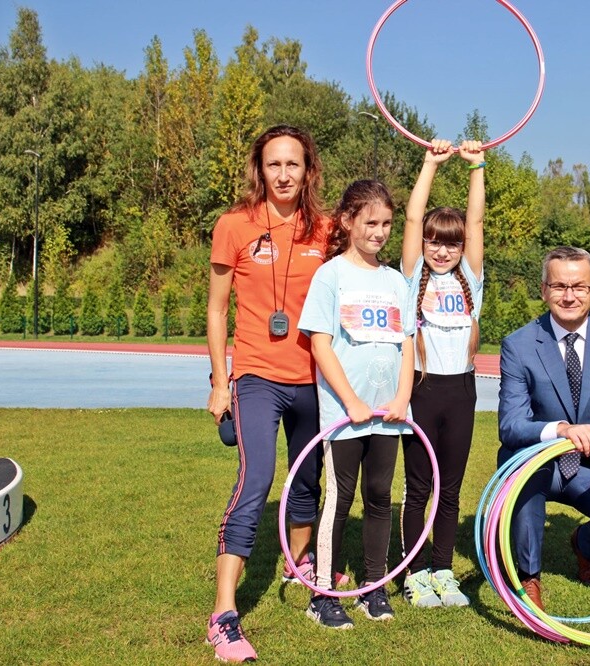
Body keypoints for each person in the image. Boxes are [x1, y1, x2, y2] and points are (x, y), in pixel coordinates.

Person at [204, 125, 330, 662]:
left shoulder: (326, 230)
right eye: (274, 164)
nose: (283, 174)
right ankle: (223, 615)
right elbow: (216, 309)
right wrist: (217, 380)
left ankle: (298, 566)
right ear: (261, 169)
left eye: (293, 165)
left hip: (313, 380)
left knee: (306, 481)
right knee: (256, 479)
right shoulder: (234, 225)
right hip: (255, 374)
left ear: (308, 172)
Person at [497, 246, 590, 611]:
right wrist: (561, 429)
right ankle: (527, 574)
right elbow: (511, 425)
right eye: (560, 286)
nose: (569, 296)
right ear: (544, 290)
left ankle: (584, 545)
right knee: (524, 486)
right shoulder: (518, 345)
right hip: (537, 460)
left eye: (579, 286)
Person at [298, 179, 415, 629]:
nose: (380, 231)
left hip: (389, 413)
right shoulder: (331, 275)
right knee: (340, 497)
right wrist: (349, 400)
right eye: (371, 222)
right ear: (348, 222)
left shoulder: (395, 282)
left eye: (386, 223)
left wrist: (402, 397)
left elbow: (407, 344)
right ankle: (323, 594)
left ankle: (373, 587)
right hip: (345, 414)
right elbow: (321, 345)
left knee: (380, 496)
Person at [398, 139, 485, 608]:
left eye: (451, 243)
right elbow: (413, 218)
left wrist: (477, 168)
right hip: (422, 390)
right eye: (435, 241)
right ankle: (413, 573)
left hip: (462, 392)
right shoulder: (413, 275)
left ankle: (443, 570)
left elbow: (475, 221)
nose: (442, 250)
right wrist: (430, 164)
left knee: (449, 489)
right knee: (418, 487)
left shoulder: (471, 276)